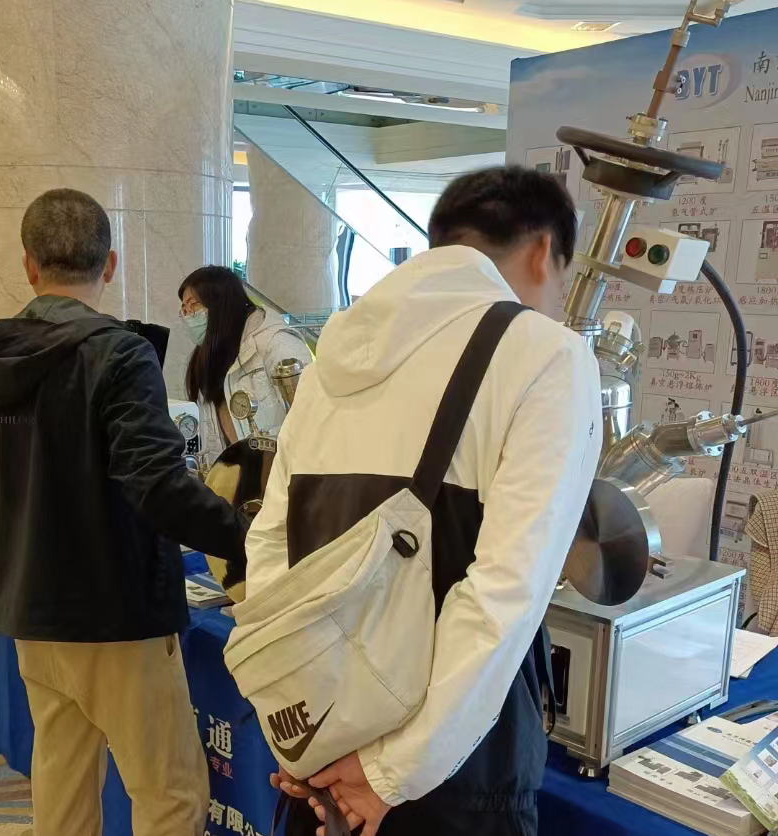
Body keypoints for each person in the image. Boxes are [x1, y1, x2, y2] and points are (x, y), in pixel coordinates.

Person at [247, 166, 602, 836]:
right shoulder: (548, 356)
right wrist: (388, 774)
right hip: (458, 772)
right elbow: (504, 593)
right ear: (541, 253)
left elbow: (271, 553)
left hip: (326, 747)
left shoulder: (332, 359)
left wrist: (299, 732)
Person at [0, 188, 248, 836]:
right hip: (117, 614)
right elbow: (158, 486)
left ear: (29, 265)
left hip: (33, 611)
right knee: (170, 795)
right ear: (110, 264)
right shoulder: (119, 353)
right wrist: (249, 537)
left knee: (62, 783)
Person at [179, 265, 310, 470]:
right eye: (184, 309)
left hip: (282, 478)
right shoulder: (208, 358)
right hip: (236, 482)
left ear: (221, 303)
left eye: (193, 305)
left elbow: (312, 422)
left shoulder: (277, 343)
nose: (188, 315)